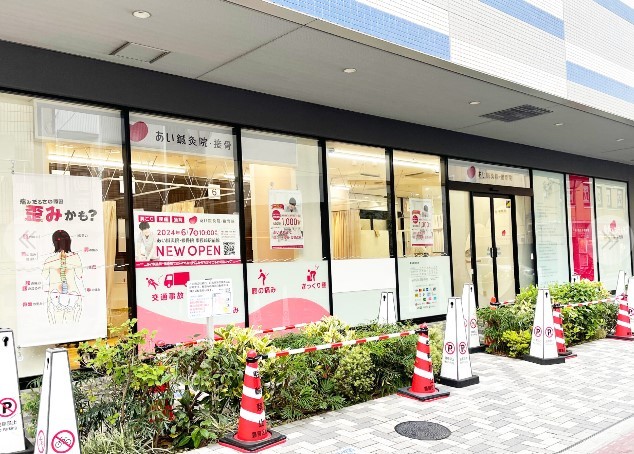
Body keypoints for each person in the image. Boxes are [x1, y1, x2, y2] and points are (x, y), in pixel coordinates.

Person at [42, 230, 84, 324]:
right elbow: (79, 274)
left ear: (54, 243)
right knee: (71, 322)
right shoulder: (75, 257)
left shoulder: (49, 260)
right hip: (72, 293)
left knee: (57, 322)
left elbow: (44, 277)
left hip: (55, 295)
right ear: (69, 242)